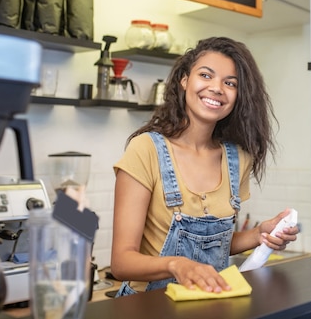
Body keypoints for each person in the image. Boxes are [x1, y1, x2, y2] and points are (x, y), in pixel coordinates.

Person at [111, 36, 299, 296]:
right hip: (149, 309)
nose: (217, 88)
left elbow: (215, 244)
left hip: (210, 306)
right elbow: (121, 262)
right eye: (206, 75)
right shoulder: (145, 150)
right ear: (185, 80)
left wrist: (259, 234)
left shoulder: (238, 159)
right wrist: (177, 265)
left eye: (230, 83)